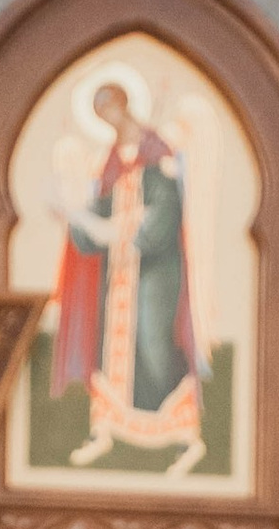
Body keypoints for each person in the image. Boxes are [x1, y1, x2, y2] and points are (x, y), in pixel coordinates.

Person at [47, 77, 207, 477]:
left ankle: (186, 437)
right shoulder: (112, 162)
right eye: (101, 115)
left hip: (155, 276)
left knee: (154, 343)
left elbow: (165, 215)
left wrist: (132, 233)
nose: (108, 120)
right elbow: (97, 219)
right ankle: (104, 431)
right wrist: (77, 220)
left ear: (125, 105)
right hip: (117, 277)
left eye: (111, 109)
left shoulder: (158, 152)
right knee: (110, 344)